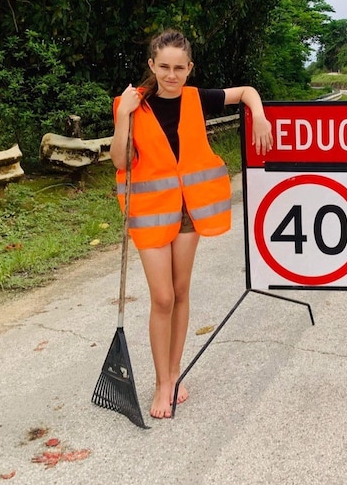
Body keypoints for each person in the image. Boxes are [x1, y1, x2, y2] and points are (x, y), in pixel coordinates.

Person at [110, 29, 273, 419]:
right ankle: (160, 380)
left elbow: (247, 91)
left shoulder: (198, 99)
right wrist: (122, 117)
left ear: (189, 68)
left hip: (190, 211)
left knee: (181, 291)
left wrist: (260, 118)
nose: (171, 74)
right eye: (163, 66)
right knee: (162, 297)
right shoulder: (132, 104)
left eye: (179, 67)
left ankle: (171, 377)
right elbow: (119, 162)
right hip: (150, 212)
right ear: (152, 65)